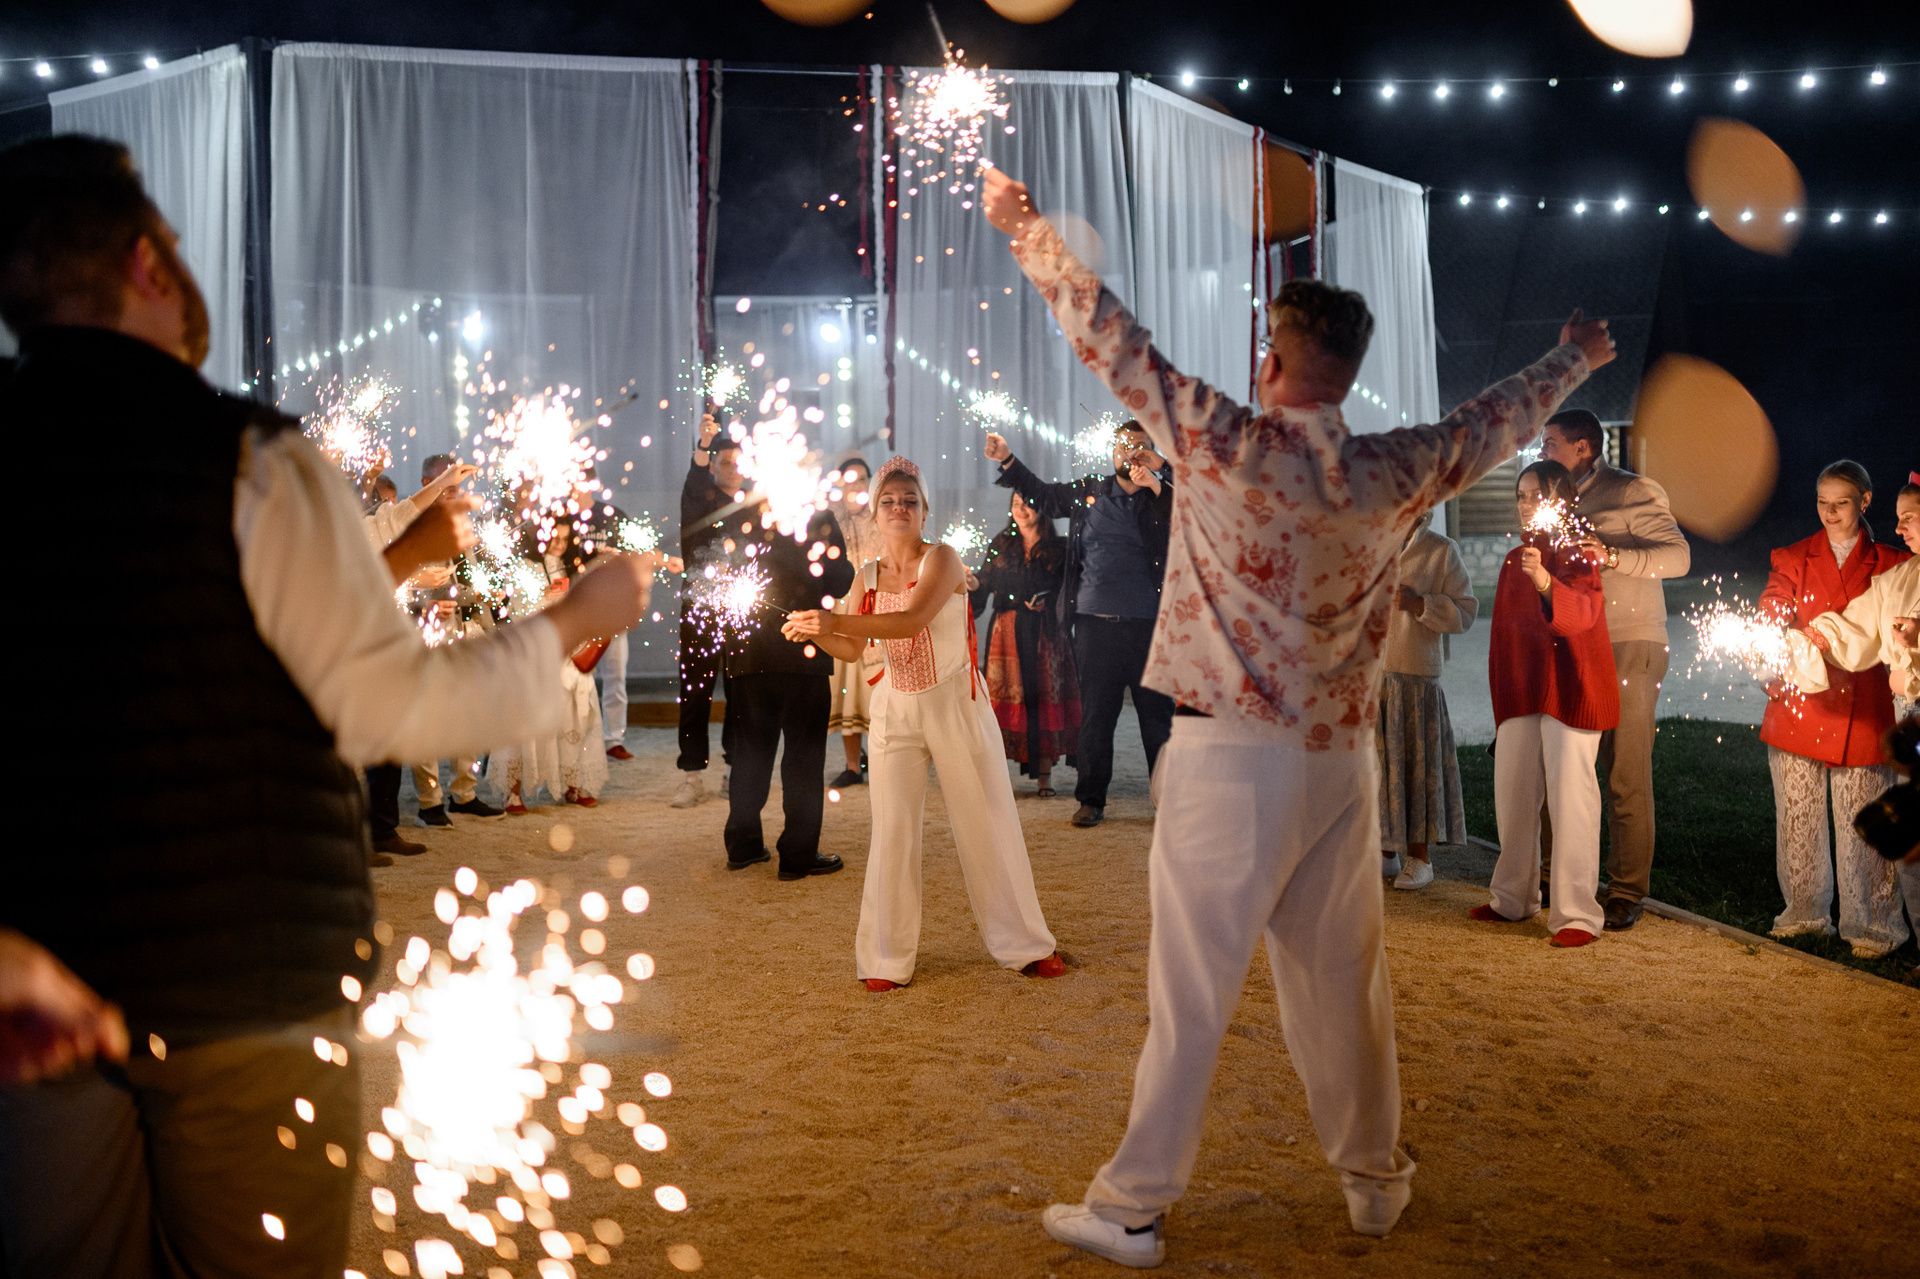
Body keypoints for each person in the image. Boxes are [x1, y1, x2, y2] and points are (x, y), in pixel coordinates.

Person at [0, 134, 658, 1278]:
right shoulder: (248, 460)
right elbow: (392, 706)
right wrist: (574, 616)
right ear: (149, 262)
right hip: (242, 982)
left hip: (32, 990)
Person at [976, 165, 1613, 1264]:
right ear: (1349, 372)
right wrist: (1577, 357)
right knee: (1343, 989)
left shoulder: (1219, 436)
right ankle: (1374, 1180)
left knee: (1192, 994)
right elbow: (1497, 417)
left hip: (1226, 760)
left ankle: (1133, 1206)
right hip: (1337, 766)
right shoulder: (1395, 465)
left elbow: (1109, 339)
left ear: (1271, 360)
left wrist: (1026, 226)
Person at [783, 456, 1066, 990]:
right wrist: (816, 632)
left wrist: (835, 618)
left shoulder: (944, 559)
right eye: (889, 501)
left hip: (955, 704)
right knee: (891, 832)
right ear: (874, 511)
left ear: (924, 510)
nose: (899, 508)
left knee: (985, 822)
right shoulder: (865, 577)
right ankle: (886, 959)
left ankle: (1025, 944)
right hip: (894, 708)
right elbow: (853, 647)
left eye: (909, 500)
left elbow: (912, 620)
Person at [1538, 408, 1689, 931]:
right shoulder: (1552, 498)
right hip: (1572, 643)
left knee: (1624, 771)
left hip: (1629, 641)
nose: (1542, 452)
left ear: (1583, 447)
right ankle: (1553, 876)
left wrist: (1613, 555)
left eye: (1550, 443)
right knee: (1561, 766)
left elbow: (1679, 556)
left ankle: (1626, 889)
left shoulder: (1630, 490)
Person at [983, 421, 1173, 827]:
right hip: (1095, 627)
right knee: (1096, 716)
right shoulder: (1090, 492)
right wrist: (1008, 459)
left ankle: (1172, 802)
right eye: (1123, 445)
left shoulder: (1162, 497)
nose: (1131, 452)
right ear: (1112, 453)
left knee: (1157, 718)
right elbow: (1042, 495)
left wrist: (1162, 476)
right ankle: (1091, 799)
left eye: (1141, 446)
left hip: (1151, 628)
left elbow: (1195, 512)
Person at [1765, 465, 1914, 956]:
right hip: (1801, 703)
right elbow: (1774, 603)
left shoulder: (1893, 561)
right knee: (1799, 818)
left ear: (1864, 502)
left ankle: (1873, 926)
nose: (1829, 512)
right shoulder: (1791, 556)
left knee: (1864, 821)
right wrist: (1774, 635)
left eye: (1841, 502)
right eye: (1821, 502)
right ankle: (1804, 915)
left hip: (1865, 706)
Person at [1471, 460, 1619, 946]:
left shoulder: (1581, 553)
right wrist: (1503, 699)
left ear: (1562, 499)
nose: (1526, 504)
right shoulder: (1514, 560)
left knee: (1572, 800)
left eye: (1536, 495)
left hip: (1572, 691)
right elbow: (1504, 639)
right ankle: (1513, 897)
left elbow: (1580, 617)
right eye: (1521, 496)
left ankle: (1577, 914)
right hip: (1522, 692)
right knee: (1513, 794)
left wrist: (1544, 581)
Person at [721, 503, 856, 878]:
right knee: (804, 758)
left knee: (750, 752)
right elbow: (840, 581)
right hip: (803, 651)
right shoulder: (817, 514)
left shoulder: (742, 511)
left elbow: (719, 576)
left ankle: (743, 846)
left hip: (748, 655)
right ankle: (797, 856)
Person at [487, 519, 617, 813]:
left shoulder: (574, 568)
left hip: (570, 654)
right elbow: (514, 614)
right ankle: (512, 790)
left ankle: (572, 783)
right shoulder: (524, 567)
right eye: (554, 537)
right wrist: (542, 599)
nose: (559, 544)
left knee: (575, 718)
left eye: (565, 539)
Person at [1377, 510, 1477, 891]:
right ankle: (1386, 851)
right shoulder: (1373, 541)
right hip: (1373, 675)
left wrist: (1421, 605)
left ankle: (1420, 858)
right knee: (1379, 765)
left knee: (1415, 765)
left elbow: (1466, 611)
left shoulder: (1440, 550)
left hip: (1415, 676)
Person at [409, 453, 506, 827]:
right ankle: (429, 803)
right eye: (446, 483)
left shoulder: (464, 523)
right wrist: (430, 603)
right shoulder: (411, 524)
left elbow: (472, 575)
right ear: (427, 484)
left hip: (470, 631)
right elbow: (403, 582)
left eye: (457, 483)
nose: (454, 490)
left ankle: (464, 794)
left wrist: (490, 595)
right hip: (431, 633)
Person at [970, 490, 1080, 797]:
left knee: (1044, 701)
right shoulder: (1001, 543)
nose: (1021, 510)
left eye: (1027, 504)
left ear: (1042, 508)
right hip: (1007, 635)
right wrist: (973, 583)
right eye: (1016, 504)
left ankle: (1045, 777)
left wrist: (1051, 603)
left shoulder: (1060, 547)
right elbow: (985, 582)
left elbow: (1071, 589)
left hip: (1048, 634)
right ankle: (996, 778)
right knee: (1003, 704)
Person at [673, 413, 741, 807]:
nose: (732, 469)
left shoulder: (755, 505)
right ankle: (691, 775)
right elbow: (695, 481)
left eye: (737, 463)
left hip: (743, 611)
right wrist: (703, 444)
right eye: (724, 462)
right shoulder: (700, 498)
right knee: (695, 691)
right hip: (700, 608)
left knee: (741, 692)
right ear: (713, 466)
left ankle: (734, 771)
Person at [828, 453, 884, 788]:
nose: (856, 486)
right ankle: (852, 765)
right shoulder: (828, 519)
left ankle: (881, 760)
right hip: (840, 615)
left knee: (875, 692)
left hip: (875, 613)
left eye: (862, 479)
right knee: (846, 690)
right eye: (849, 480)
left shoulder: (880, 517)